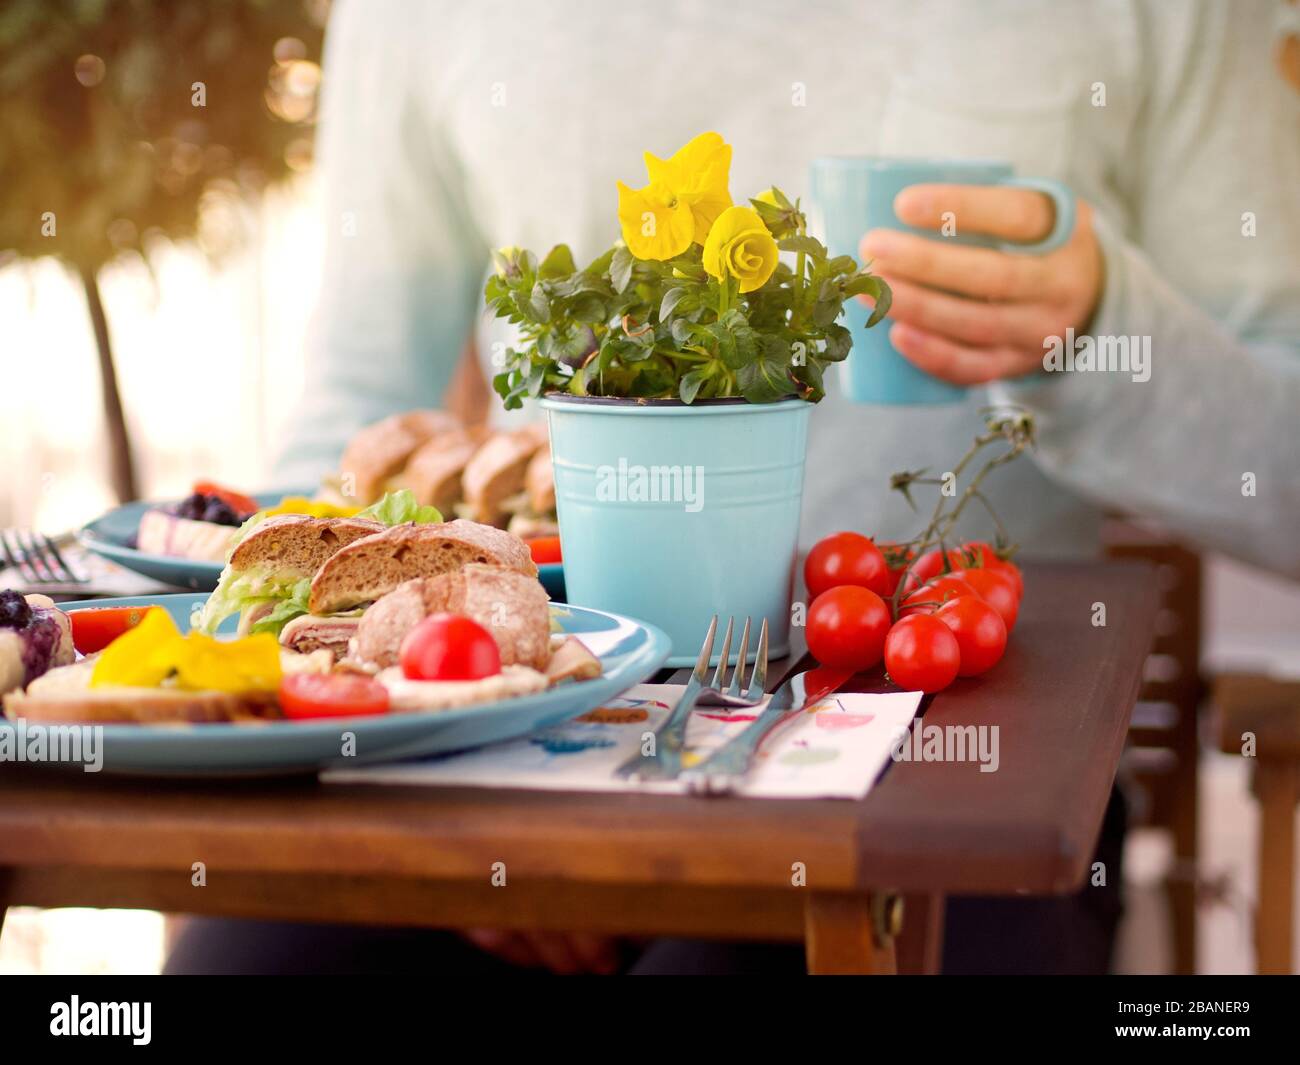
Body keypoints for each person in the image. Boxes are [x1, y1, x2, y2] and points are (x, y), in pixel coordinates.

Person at [170, 0, 1300, 975]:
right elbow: (350, 427)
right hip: (508, 760)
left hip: (947, 778)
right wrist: (431, 806)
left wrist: (1099, 338)